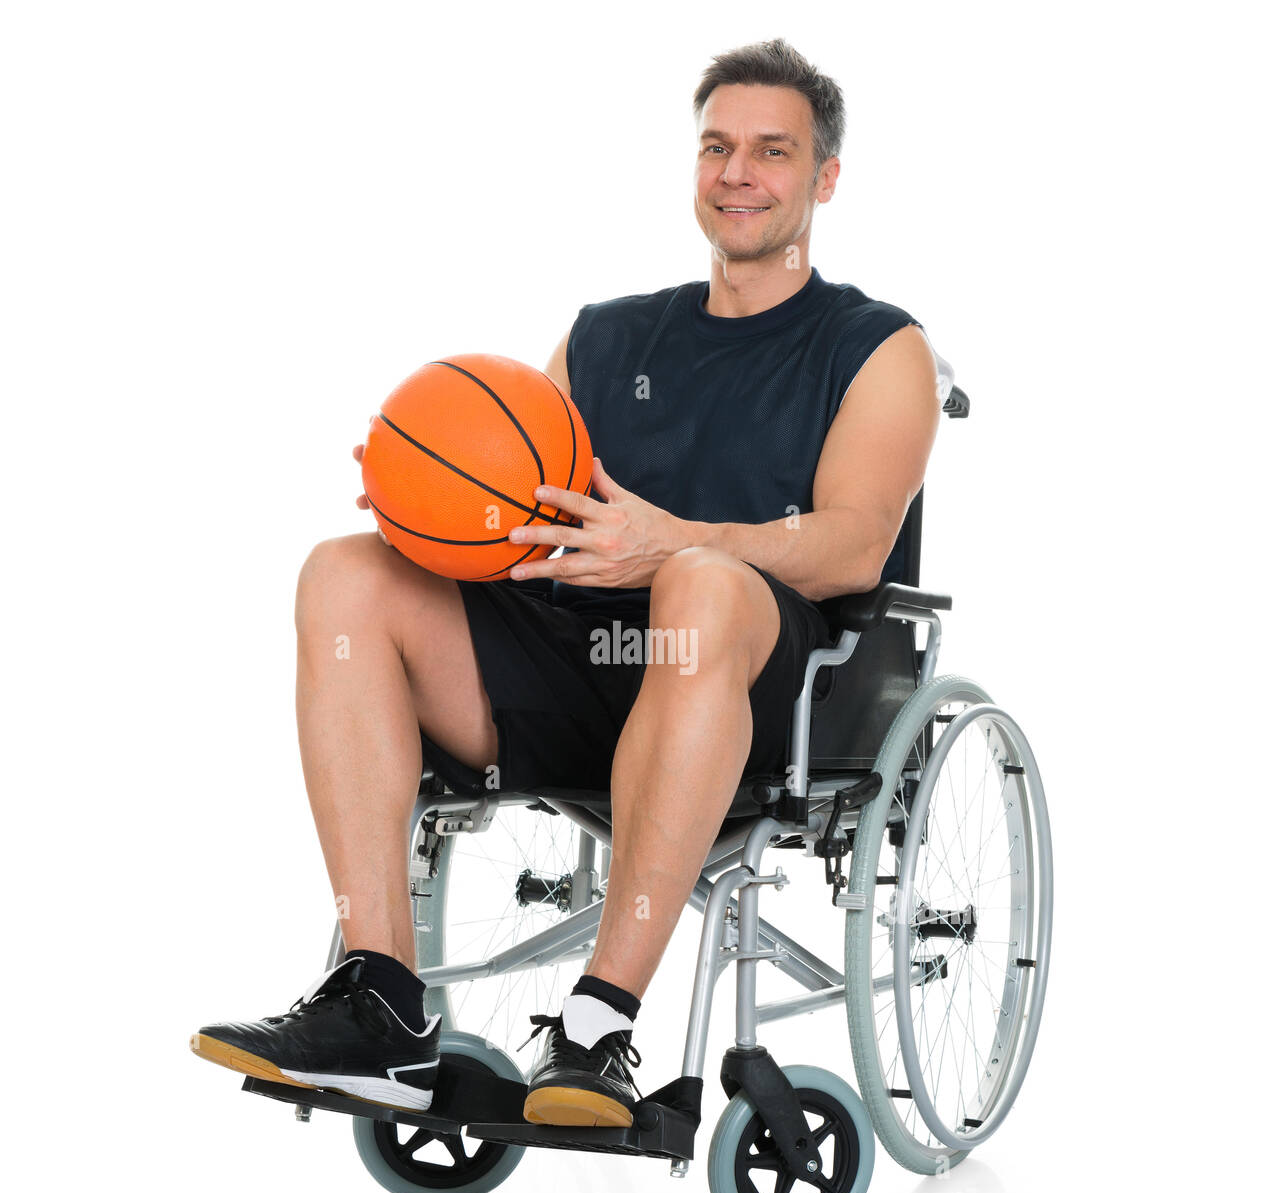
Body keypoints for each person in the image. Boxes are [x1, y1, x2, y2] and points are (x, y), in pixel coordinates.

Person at [190, 37, 943, 1126]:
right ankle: (382, 1001)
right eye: (717, 147)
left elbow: (857, 545)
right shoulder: (606, 337)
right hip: (580, 667)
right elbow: (522, 516)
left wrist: (677, 541)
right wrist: (428, 508)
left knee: (697, 583)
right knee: (346, 575)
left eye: (771, 152)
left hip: (753, 689)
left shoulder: (876, 346)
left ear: (823, 178)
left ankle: (596, 1024)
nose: (738, 172)